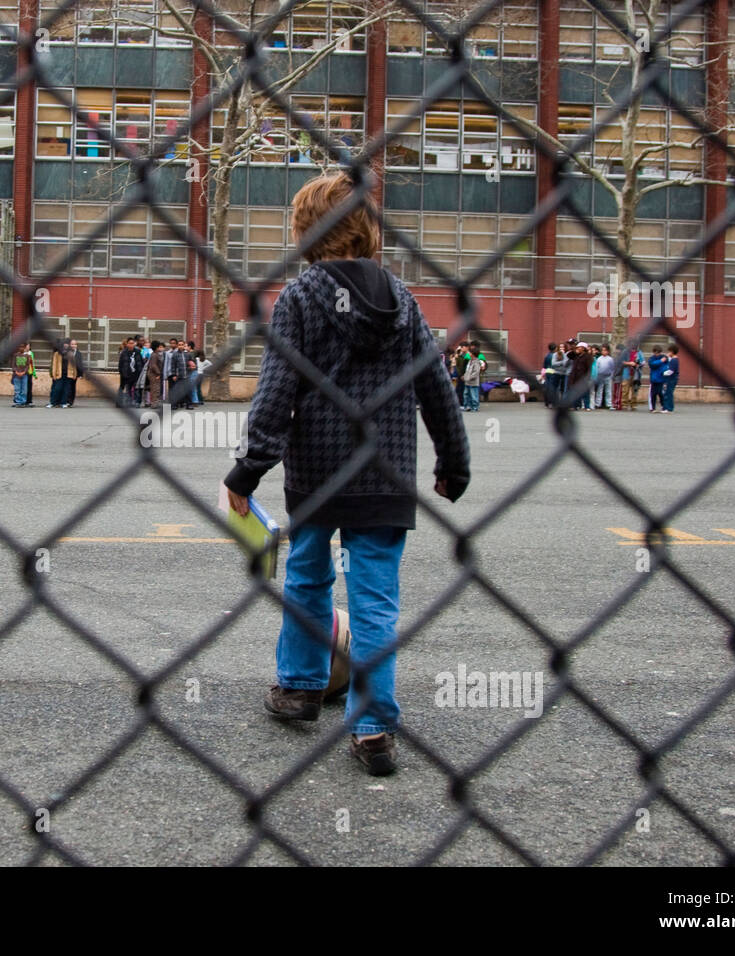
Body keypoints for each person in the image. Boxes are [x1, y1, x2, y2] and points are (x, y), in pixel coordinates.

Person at [224, 172, 470, 777]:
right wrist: (453, 461)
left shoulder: (301, 297)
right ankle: (373, 725)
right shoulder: (401, 298)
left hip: (317, 471)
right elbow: (437, 388)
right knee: (375, 598)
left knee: (307, 578)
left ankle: (302, 687)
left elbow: (276, 394)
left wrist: (247, 470)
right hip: (385, 473)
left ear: (306, 232)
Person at [49, 339, 82, 407]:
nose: (66, 345)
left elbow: (74, 365)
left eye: (67, 344)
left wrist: (75, 374)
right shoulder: (57, 354)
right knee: (57, 388)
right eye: (64, 344)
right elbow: (54, 364)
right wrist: (54, 373)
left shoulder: (71, 354)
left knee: (66, 389)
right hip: (59, 374)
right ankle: (53, 402)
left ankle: (63, 403)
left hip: (68, 374)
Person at [117, 337, 142, 407]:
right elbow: (120, 363)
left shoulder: (137, 352)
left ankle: (136, 402)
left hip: (135, 374)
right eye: (129, 343)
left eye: (132, 343)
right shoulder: (124, 352)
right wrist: (121, 372)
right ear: (127, 344)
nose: (131, 345)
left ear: (134, 344)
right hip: (125, 374)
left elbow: (140, 362)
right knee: (122, 387)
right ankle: (119, 402)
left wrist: (140, 372)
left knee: (135, 388)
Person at [592, 344, 615, 409]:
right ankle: (597, 404)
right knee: (600, 390)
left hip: (608, 376)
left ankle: (609, 404)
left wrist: (612, 376)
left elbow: (612, 368)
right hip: (601, 376)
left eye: (605, 350)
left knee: (608, 390)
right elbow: (597, 368)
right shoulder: (599, 359)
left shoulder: (610, 359)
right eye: (602, 350)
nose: (603, 352)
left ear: (608, 351)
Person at [143, 341, 165, 408]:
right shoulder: (155, 355)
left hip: (153, 374)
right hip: (154, 374)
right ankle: (154, 403)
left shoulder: (154, 354)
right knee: (155, 389)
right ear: (156, 347)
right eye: (159, 347)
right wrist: (158, 373)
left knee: (154, 388)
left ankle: (154, 402)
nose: (160, 348)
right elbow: (153, 365)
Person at [12, 341, 33, 407]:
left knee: (24, 389)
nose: (21, 348)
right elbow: (13, 365)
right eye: (20, 347)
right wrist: (16, 372)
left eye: (22, 347)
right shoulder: (15, 355)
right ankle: (18, 402)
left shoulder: (27, 356)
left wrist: (24, 372)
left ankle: (23, 401)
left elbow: (27, 365)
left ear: (24, 348)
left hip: (24, 375)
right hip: (16, 375)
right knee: (17, 389)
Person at [647, 344, 667, 413]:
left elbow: (665, 366)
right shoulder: (652, 358)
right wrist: (661, 361)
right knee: (653, 394)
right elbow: (652, 365)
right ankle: (653, 408)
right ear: (654, 352)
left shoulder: (664, 357)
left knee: (661, 394)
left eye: (659, 352)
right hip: (654, 379)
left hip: (661, 379)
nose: (658, 354)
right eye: (656, 353)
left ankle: (663, 407)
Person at [462, 345, 482, 412]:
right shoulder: (470, 361)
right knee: (466, 394)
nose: (469, 353)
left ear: (473, 354)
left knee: (474, 395)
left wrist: (468, 377)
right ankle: (467, 406)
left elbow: (476, 373)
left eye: (470, 352)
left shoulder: (476, 362)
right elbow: (467, 370)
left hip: (473, 382)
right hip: (467, 382)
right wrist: (464, 376)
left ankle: (475, 407)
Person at [661, 343, 680, 413]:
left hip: (672, 379)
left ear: (672, 351)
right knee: (668, 392)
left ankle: (669, 408)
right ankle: (667, 407)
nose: (668, 353)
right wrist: (667, 356)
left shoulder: (674, 360)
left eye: (669, 351)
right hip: (672, 378)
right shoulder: (673, 359)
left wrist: (663, 373)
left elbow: (671, 371)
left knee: (669, 393)